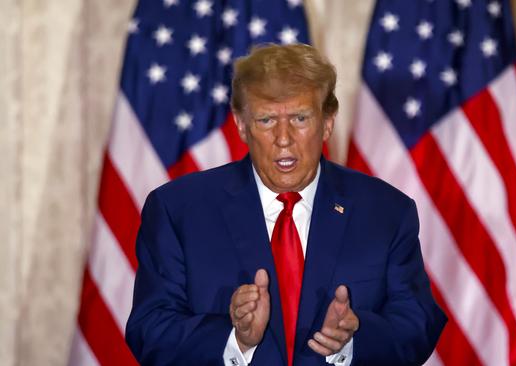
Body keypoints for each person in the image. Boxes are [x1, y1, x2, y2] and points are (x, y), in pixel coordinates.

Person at [125, 43, 446, 366]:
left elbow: (417, 324)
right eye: (265, 120)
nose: (283, 138)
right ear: (241, 124)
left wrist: (353, 338)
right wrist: (235, 339)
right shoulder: (178, 210)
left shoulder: (386, 212)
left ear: (328, 121)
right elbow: (150, 330)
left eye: (300, 118)